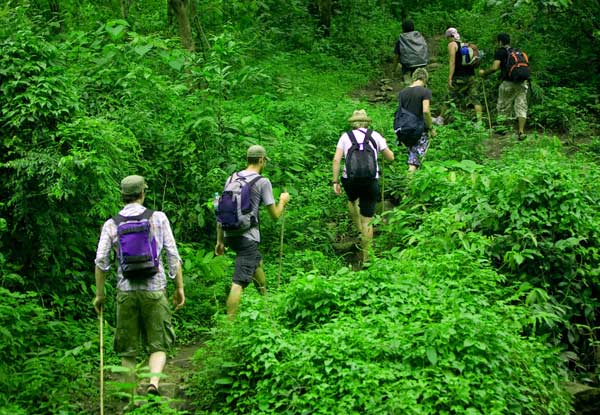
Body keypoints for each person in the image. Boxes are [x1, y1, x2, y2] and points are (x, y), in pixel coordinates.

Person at [93, 175, 185, 397]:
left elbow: (101, 261)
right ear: (143, 194)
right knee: (159, 344)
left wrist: (100, 294)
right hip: (155, 289)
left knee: (128, 350)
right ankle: (154, 382)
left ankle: (130, 398)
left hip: (126, 292)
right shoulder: (158, 218)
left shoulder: (112, 224)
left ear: (122, 196)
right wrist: (179, 287)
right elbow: (173, 254)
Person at [214, 145, 290, 320]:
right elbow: (275, 215)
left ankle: (267, 304)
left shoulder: (231, 178)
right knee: (238, 282)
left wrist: (220, 241)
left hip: (229, 234)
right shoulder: (262, 182)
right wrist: (283, 201)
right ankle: (229, 326)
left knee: (257, 263)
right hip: (247, 236)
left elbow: (221, 211)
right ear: (262, 160)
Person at [332, 110, 394, 265]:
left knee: (352, 200)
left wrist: (335, 181)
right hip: (370, 180)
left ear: (353, 123)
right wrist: (383, 144)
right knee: (368, 219)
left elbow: (336, 160)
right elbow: (390, 157)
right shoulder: (376, 136)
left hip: (350, 180)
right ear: (367, 122)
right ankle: (367, 257)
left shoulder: (346, 136)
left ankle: (359, 230)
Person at [479, 32, 529, 140]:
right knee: (521, 106)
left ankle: (502, 129)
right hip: (522, 83)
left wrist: (484, 73)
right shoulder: (517, 51)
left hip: (508, 83)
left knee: (503, 105)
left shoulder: (500, 52)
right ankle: (521, 131)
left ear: (500, 41)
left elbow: (495, 67)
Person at [398, 68, 437, 172]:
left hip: (404, 129)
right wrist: (431, 128)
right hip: (419, 130)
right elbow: (425, 111)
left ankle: (409, 180)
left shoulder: (402, 92)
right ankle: (409, 183)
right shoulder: (425, 91)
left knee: (411, 155)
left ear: (413, 78)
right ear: (425, 79)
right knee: (414, 161)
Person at [445, 27, 482, 122]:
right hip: (471, 76)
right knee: (475, 99)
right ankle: (480, 122)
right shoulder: (466, 45)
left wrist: (450, 78)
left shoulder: (452, 44)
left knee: (450, 97)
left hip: (459, 77)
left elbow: (452, 61)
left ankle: (441, 119)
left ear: (450, 37)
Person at [393, 20, 429, 85]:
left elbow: (397, 56)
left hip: (408, 65)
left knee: (407, 70)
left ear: (403, 28)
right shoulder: (419, 36)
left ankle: (407, 77)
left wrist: (394, 69)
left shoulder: (401, 38)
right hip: (422, 63)